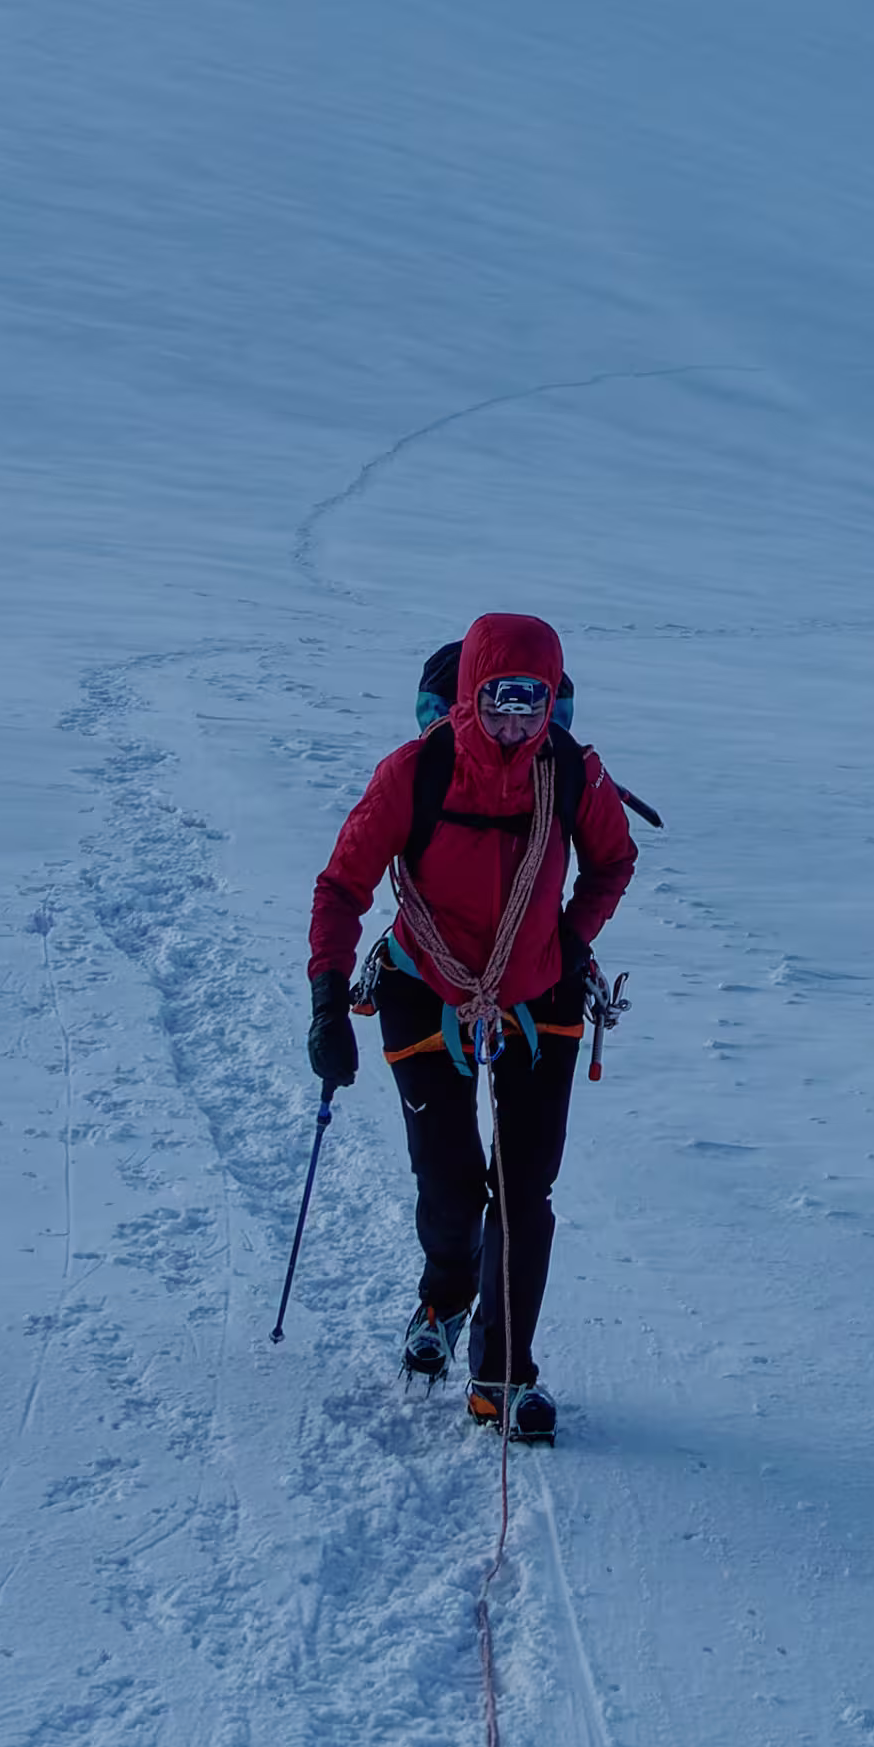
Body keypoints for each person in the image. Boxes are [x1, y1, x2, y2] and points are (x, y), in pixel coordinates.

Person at [305, 611, 639, 1440]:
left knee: (526, 1195)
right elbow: (341, 886)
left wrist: (569, 938)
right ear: (469, 695)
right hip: (426, 986)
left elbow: (614, 859)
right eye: (499, 699)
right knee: (450, 1182)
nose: (515, 719)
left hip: (542, 995)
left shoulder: (572, 774)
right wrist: (326, 1001)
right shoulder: (415, 773)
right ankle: (444, 1298)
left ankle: (502, 1375)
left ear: (552, 698)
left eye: (533, 700)